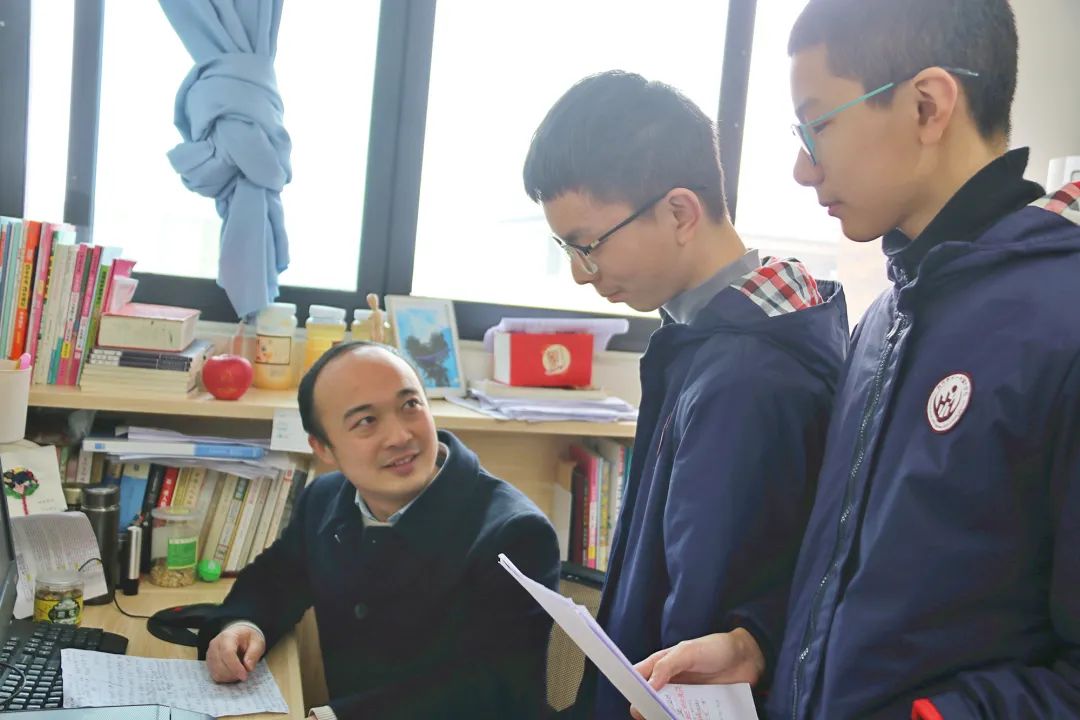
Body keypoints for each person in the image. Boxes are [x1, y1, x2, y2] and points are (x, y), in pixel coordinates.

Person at [634, 1, 1080, 718]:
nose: (803, 167)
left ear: (928, 106)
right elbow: (858, 575)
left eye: (817, 126)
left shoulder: (1060, 321)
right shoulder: (885, 318)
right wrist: (762, 645)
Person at [522, 70, 848, 718]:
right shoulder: (719, 335)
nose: (583, 274)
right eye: (568, 249)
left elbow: (703, 614)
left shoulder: (746, 379)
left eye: (589, 247)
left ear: (679, 212)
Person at [199, 341, 561, 720]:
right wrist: (244, 624)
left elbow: (487, 689)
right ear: (323, 448)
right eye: (366, 421)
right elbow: (276, 579)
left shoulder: (515, 534)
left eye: (410, 405)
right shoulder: (325, 497)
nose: (400, 437)